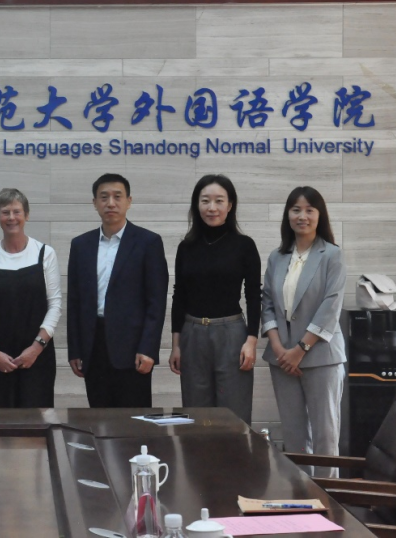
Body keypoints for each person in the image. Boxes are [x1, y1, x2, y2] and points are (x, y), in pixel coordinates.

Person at [261, 186, 346, 477]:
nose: (302, 216)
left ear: (320, 215)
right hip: (282, 358)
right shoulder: (277, 257)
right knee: (294, 436)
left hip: (321, 357)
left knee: (325, 436)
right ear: (288, 215)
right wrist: (278, 348)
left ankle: (329, 498)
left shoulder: (332, 255)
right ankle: (301, 496)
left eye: (309, 210)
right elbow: (267, 303)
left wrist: (300, 350)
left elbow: (331, 306)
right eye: (296, 209)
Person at [67, 173, 169, 408]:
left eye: (117, 196)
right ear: (95, 203)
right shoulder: (80, 245)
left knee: (134, 421)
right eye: (104, 197)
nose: (110, 203)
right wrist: (75, 349)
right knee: (99, 419)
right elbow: (74, 302)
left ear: (129, 201)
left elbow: (156, 302)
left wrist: (148, 348)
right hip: (93, 346)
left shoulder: (148, 242)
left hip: (133, 350)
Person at [169, 174, 261, 424]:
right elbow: (179, 295)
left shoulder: (244, 245)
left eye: (219, 201)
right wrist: (176, 344)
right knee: (195, 414)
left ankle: (236, 452)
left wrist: (251, 340)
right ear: (196, 205)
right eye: (205, 201)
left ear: (230, 205)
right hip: (192, 334)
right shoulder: (186, 247)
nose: (212, 208)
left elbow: (254, 295)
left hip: (232, 334)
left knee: (234, 413)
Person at [0, 188, 62, 408]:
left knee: (35, 422)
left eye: (16, 211)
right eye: (5, 212)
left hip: (37, 358)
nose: (11, 217)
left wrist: (36, 348)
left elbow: (55, 304)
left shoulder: (45, 254)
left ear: (26, 215)